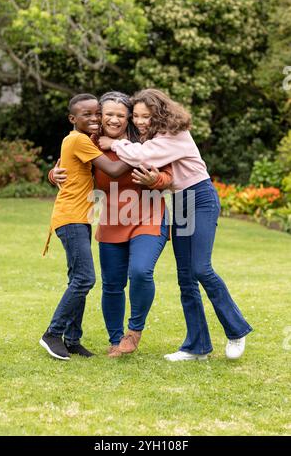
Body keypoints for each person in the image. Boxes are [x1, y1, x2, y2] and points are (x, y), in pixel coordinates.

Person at [99, 88, 253, 361]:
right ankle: (197, 346)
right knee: (186, 278)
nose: (139, 121)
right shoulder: (154, 136)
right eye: (135, 116)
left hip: (200, 198)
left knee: (201, 268)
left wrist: (113, 144)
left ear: (159, 113)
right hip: (180, 201)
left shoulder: (174, 134)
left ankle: (236, 329)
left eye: (145, 116)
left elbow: (141, 157)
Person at [49, 91, 172, 358]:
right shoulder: (91, 142)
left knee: (140, 272)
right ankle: (116, 339)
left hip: (149, 215)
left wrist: (156, 180)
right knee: (112, 284)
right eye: (108, 115)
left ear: (128, 117)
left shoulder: (146, 141)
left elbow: (169, 174)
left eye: (120, 115)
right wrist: (52, 174)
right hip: (113, 218)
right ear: (100, 117)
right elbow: (68, 167)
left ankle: (133, 332)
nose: (114, 120)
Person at [40, 93, 131, 361]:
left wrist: (51, 174)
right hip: (70, 217)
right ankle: (53, 334)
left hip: (79, 216)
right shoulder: (78, 139)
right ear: (72, 119)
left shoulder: (82, 140)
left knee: (77, 278)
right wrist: (136, 150)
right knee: (84, 279)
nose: (94, 118)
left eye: (96, 113)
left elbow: (65, 169)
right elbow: (113, 170)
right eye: (86, 115)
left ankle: (72, 340)